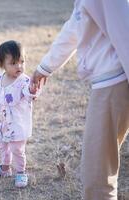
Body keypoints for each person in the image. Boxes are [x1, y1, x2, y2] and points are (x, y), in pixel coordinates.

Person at [31, 0, 129, 199]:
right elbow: (75, 27)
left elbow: (125, 32)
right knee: (99, 170)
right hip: (108, 84)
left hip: (113, 85)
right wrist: (45, 67)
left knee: (97, 178)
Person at [0, 40, 36, 188]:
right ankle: (5, 168)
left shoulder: (25, 81)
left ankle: (21, 172)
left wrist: (33, 90)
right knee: (2, 145)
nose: (19, 66)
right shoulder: (0, 78)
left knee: (17, 149)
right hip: (4, 122)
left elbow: (29, 95)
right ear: (2, 64)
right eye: (14, 63)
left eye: (22, 61)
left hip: (18, 124)